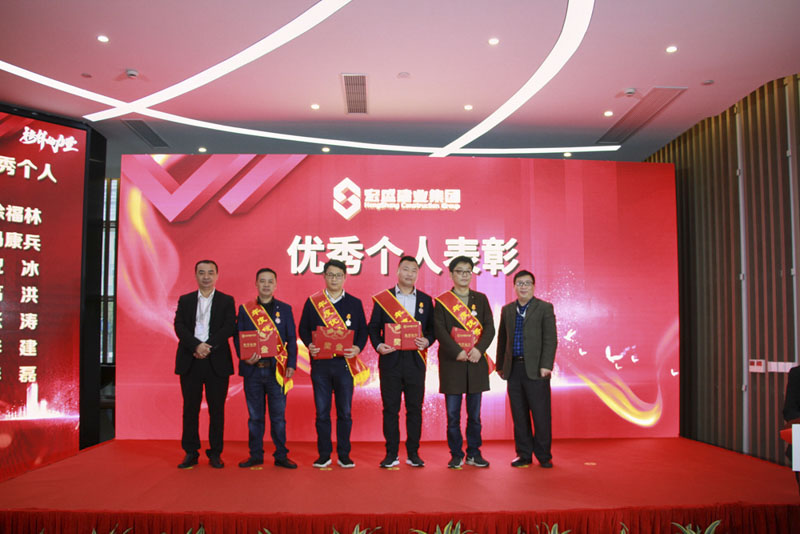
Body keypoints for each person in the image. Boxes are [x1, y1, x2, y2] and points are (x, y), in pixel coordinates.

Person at [298, 259, 368, 468]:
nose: (334, 279)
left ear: (345, 277)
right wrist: (310, 344)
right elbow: (303, 329)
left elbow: (363, 331)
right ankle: (324, 454)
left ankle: (344, 454)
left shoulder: (354, 303)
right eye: (330, 275)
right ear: (324, 277)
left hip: (345, 365)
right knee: (322, 412)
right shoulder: (313, 302)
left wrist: (357, 348)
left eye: (338, 275)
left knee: (344, 412)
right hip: (321, 365)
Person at [368, 255, 435, 468]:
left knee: (415, 408)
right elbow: (373, 328)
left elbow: (433, 329)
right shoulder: (384, 299)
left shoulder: (426, 300)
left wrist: (427, 340)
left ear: (417, 274)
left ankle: (413, 453)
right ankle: (391, 454)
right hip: (391, 361)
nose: (409, 274)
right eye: (406, 269)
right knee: (390, 409)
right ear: (397, 271)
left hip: (416, 362)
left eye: (414, 270)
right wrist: (379, 345)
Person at [434, 255, 495, 469]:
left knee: (475, 416)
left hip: (476, 363)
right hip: (452, 364)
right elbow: (439, 330)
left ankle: (474, 453)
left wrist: (479, 350)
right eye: (459, 271)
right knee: (453, 416)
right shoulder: (442, 302)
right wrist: (457, 351)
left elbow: (490, 328)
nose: (464, 275)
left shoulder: (481, 299)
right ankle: (456, 454)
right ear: (451, 274)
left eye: (467, 271)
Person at [173, 259, 236, 469]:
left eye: (210, 272)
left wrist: (208, 346)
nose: (206, 277)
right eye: (202, 272)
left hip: (216, 361)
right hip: (190, 360)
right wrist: (195, 346)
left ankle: (215, 453)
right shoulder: (185, 300)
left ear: (216, 275)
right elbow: (179, 326)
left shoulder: (226, 300)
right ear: (196, 275)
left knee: (217, 410)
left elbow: (229, 327)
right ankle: (191, 452)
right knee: (190, 409)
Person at [235, 268, 298, 469]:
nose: (266, 285)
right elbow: (238, 337)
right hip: (253, 371)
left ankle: (281, 455)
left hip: (276, 371)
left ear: (276, 285)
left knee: (278, 418)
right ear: (256, 284)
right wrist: (245, 357)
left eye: (270, 281)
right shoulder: (245, 310)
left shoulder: (285, 309)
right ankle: (255, 455)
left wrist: (291, 364)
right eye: (262, 281)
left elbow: (291, 339)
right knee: (255, 417)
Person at [496, 270, 557, 469]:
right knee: (519, 415)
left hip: (537, 370)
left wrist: (546, 365)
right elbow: (502, 339)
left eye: (527, 283)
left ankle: (544, 455)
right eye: (520, 283)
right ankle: (523, 454)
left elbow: (550, 339)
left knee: (541, 415)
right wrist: (500, 365)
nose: (523, 287)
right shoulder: (507, 310)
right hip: (513, 369)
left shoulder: (544, 308)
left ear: (533, 286)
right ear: (514, 287)